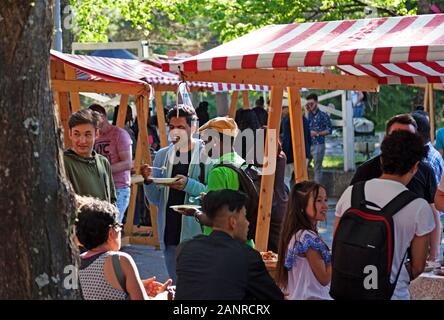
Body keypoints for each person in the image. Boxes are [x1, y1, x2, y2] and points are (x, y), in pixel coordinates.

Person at [334, 130, 435, 300]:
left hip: (347, 288)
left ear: (381, 160)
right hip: (391, 293)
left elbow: (336, 242)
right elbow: (418, 266)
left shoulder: (351, 193)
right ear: (415, 166)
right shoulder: (418, 207)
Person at [141, 105, 211, 284]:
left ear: (193, 127)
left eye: (181, 127)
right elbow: (156, 199)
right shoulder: (163, 155)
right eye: (171, 127)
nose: (175, 132)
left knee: (198, 285)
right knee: (178, 284)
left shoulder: (207, 155)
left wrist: (188, 184)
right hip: (169, 230)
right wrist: (148, 182)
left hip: (196, 231)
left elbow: (211, 194)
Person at [175, 189, 284, 300]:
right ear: (233, 222)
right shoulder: (247, 257)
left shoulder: (185, 248)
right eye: (245, 216)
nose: (248, 223)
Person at [75, 196, 171, 300]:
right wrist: (163, 296)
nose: (121, 230)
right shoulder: (119, 260)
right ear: (111, 232)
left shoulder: (74, 262)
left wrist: (136, 286)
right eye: (119, 226)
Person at [350, 114, 437, 206]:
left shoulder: (426, 171)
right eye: (396, 135)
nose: (401, 141)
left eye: (408, 137)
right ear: (385, 138)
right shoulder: (365, 170)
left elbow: (433, 209)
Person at [198, 117, 256, 247]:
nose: (204, 146)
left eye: (205, 141)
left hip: (221, 247)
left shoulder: (218, 172)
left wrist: (196, 214)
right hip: (245, 243)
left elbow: (213, 219)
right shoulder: (241, 162)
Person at [276, 181, 331, 300]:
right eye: (318, 200)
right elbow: (324, 278)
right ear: (302, 206)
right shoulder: (307, 237)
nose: (325, 206)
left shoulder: (297, 234)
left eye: (325, 200)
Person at [89, 104, 132, 223]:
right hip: (100, 188)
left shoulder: (120, 134)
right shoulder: (94, 137)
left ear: (105, 116)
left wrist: (103, 169)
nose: (95, 122)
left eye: (97, 117)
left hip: (119, 188)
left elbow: (128, 163)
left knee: (112, 227)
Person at [64, 109, 116, 204]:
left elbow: (112, 199)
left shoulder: (103, 162)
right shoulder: (64, 162)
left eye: (88, 134)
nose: (82, 140)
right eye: (77, 134)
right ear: (70, 134)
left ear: (96, 134)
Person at [411, 111, 444, 261]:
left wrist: (433, 252)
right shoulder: (432, 155)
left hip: (429, 226)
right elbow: (437, 199)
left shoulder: (426, 161)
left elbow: (433, 205)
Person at [281, 104, 311, 189]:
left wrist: (284, 154)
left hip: (290, 155)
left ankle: (288, 199)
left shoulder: (287, 121)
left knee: (286, 178)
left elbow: (286, 139)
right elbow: (309, 138)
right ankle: (303, 199)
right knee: (302, 180)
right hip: (304, 154)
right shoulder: (305, 120)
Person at [304, 93, 332, 184]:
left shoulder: (323, 115)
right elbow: (303, 127)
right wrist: (306, 112)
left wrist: (317, 133)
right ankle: (305, 189)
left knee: (317, 168)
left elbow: (329, 130)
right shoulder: (307, 115)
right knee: (304, 167)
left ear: (317, 102)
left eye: (311, 103)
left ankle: (317, 190)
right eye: (308, 104)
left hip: (318, 144)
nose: (310, 106)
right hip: (308, 145)